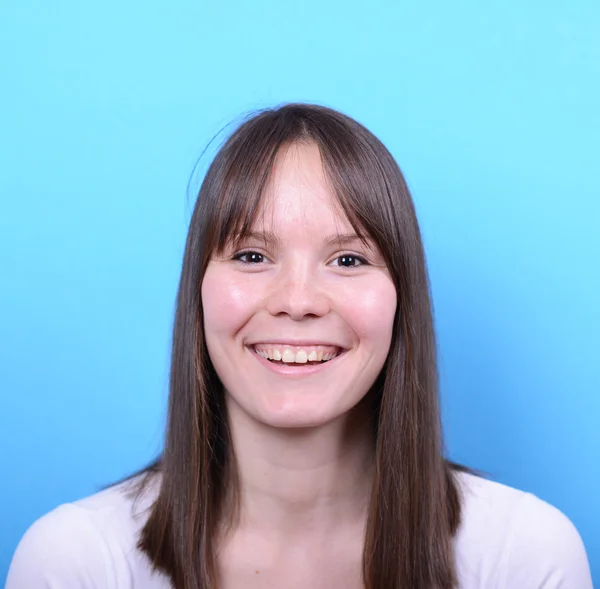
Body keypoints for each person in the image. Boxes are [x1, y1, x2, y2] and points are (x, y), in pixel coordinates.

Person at [6, 104, 593, 589]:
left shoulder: (523, 557)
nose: (297, 299)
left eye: (348, 259)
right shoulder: (75, 563)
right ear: (200, 292)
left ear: (400, 299)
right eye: (252, 255)